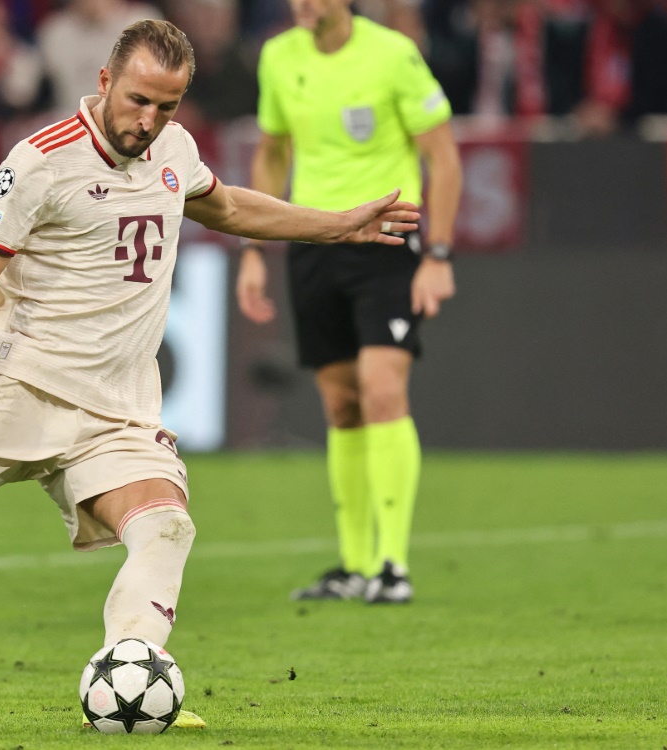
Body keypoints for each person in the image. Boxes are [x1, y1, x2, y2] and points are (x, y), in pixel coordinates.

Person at [0, 18, 419, 727]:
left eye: (166, 106)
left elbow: (226, 205)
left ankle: (135, 681)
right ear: (103, 82)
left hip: (116, 413)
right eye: (137, 101)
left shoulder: (173, 148)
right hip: (20, 392)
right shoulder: (39, 163)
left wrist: (338, 224)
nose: (148, 121)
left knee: (166, 528)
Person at [235, 0, 462, 604]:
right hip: (314, 241)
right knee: (340, 403)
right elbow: (274, 151)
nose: (303, 5)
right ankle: (354, 564)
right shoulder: (279, 57)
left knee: (383, 387)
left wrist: (437, 254)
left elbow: (443, 156)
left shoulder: (393, 55)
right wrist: (256, 247)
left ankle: (393, 564)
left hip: (387, 239)